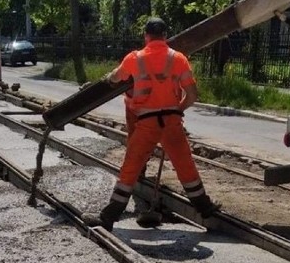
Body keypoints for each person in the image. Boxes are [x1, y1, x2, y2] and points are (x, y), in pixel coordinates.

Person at [83, 17, 219, 231]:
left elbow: (116, 78)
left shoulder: (134, 58)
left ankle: (108, 217)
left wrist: (106, 79)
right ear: (165, 35)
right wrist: (177, 110)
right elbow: (192, 95)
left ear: (146, 36)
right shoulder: (179, 58)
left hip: (147, 122)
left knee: (130, 167)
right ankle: (205, 208)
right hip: (172, 121)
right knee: (186, 166)